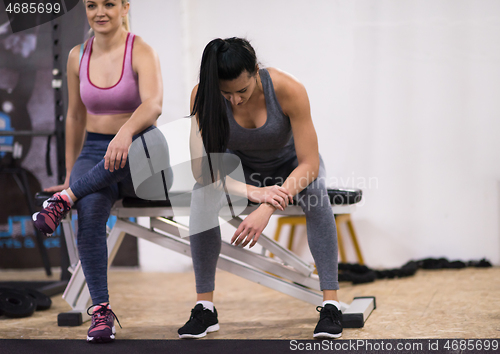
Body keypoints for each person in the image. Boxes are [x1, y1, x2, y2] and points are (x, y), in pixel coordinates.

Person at [179, 37, 342, 339]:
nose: (235, 100)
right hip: (244, 173)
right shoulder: (202, 96)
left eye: (242, 90)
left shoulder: (287, 89)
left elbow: (309, 164)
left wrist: (268, 205)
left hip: (292, 167)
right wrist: (254, 193)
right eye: (226, 93)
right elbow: (202, 170)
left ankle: (331, 304)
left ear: (256, 71)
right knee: (201, 195)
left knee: (317, 195)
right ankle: (205, 307)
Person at [32, 0, 169, 343]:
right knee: (89, 211)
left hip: (140, 148)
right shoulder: (77, 55)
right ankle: (101, 311)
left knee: (119, 160)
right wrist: (69, 173)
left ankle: (65, 199)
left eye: (109, 3)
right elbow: (75, 116)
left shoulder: (142, 50)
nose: (100, 11)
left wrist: (125, 132)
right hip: (94, 149)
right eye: (92, 4)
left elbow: (153, 104)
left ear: (125, 7)